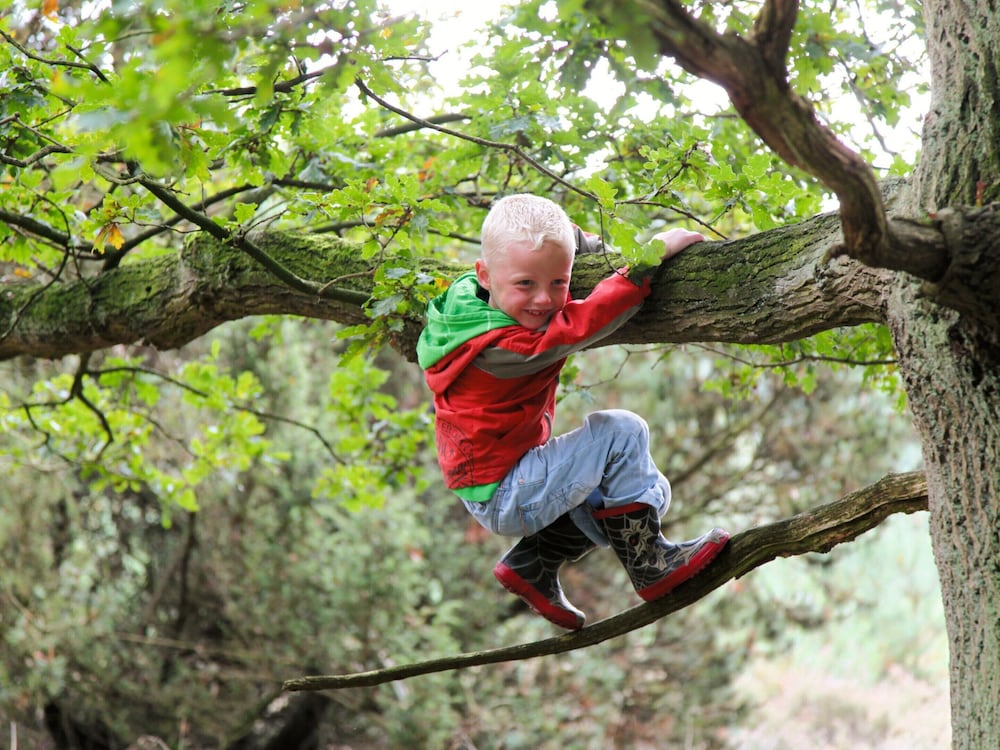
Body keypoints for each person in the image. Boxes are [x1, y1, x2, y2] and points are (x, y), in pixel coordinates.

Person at [416, 194, 730, 630]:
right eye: (525, 284)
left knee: (644, 489)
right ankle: (650, 564)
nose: (544, 299)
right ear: (485, 274)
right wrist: (646, 260)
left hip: (495, 484)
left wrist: (587, 246)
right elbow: (584, 323)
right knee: (621, 433)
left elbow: (559, 243)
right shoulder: (506, 347)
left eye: (558, 282)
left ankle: (534, 561)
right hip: (507, 492)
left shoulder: (464, 301)